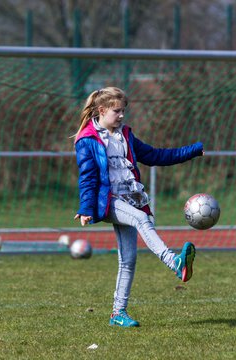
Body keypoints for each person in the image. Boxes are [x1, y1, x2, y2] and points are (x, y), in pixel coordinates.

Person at [74, 86, 204, 328]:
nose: (122, 115)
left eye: (124, 110)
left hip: (130, 198)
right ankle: (174, 262)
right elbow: (88, 177)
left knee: (128, 261)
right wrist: (86, 208)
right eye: (117, 111)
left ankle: (118, 314)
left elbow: (156, 156)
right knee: (142, 220)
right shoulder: (87, 140)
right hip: (109, 201)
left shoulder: (126, 135)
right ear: (101, 110)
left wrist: (192, 151)